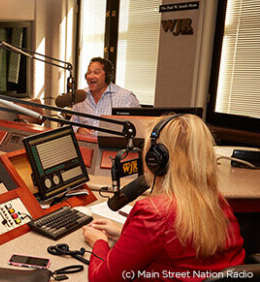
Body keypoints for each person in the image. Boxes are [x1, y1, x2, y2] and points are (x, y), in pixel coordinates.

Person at [82, 114, 245, 281]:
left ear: (156, 160)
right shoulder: (216, 201)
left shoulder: (155, 213)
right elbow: (179, 247)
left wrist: (99, 242)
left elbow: (101, 279)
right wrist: (122, 235)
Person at [71, 57, 139, 134]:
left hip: (112, 145)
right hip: (84, 144)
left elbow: (139, 127)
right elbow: (72, 124)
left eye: (96, 73)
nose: (91, 76)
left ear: (107, 76)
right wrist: (78, 129)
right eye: (89, 73)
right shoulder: (81, 96)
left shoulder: (126, 97)